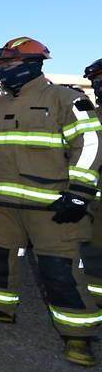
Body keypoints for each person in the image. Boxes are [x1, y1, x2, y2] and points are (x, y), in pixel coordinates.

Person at [0, 38, 102, 366]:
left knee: (59, 270)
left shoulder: (67, 99)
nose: (3, 73)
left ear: (34, 65)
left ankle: (78, 335)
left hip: (52, 207)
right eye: (0, 68)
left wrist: (80, 192)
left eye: (9, 66)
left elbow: (90, 145)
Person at [82, 58, 102, 308]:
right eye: (96, 81)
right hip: (94, 203)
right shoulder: (90, 115)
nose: (99, 85)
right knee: (94, 256)